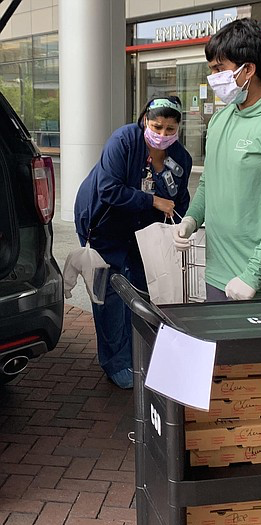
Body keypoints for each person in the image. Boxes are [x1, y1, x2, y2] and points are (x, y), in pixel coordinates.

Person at [172, 18, 261, 409]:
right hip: (221, 274)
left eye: (218, 68)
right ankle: (245, 451)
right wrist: (192, 217)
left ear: (246, 69)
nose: (212, 77)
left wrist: (253, 275)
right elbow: (208, 181)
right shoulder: (221, 119)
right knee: (230, 373)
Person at [75, 97, 192, 389]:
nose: (162, 134)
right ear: (144, 121)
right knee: (111, 294)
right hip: (101, 226)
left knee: (141, 289)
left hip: (144, 232)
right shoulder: (124, 141)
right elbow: (108, 189)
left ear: (178, 128)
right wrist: (152, 199)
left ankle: (139, 354)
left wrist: (186, 225)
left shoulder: (181, 158)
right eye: (156, 126)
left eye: (170, 128)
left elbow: (180, 202)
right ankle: (116, 362)